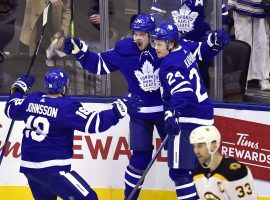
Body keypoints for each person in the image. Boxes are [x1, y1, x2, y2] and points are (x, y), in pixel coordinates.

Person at [63, 14, 229, 199]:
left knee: (181, 165)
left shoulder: (168, 48)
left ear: (152, 35)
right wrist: (81, 52)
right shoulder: (126, 49)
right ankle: (130, 197)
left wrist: (213, 44)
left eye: (142, 34)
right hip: (140, 112)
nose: (137, 38)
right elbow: (100, 65)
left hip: (167, 112)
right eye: (135, 33)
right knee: (140, 160)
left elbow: (199, 52)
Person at [4, 68, 141, 200]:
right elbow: (93, 123)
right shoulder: (66, 106)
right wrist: (118, 110)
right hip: (54, 170)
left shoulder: (32, 99)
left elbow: (10, 109)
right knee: (89, 198)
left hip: (30, 170)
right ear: (64, 88)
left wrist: (18, 89)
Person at [150, 22, 228, 199]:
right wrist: (213, 43)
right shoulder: (184, 46)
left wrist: (172, 113)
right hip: (205, 118)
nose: (156, 47)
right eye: (155, 42)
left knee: (180, 173)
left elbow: (183, 91)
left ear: (171, 43)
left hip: (187, 121)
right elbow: (203, 50)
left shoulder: (169, 64)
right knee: (198, 172)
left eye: (160, 43)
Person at [150, 0, 229, 90]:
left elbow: (222, 14)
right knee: (172, 80)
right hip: (173, 46)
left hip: (199, 42)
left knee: (201, 81)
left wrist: (215, 34)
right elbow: (155, 15)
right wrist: (169, 32)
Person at [189, 125, 256, 199]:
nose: (196, 151)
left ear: (213, 145)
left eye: (200, 146)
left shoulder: (236, 172)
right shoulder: (198, 172)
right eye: (194, 146)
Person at [228, 0, 270, 90]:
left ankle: (263, 76)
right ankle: (243, 77)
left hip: (261, 4)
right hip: (241, 3)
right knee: (242, 38)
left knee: (261, 39)